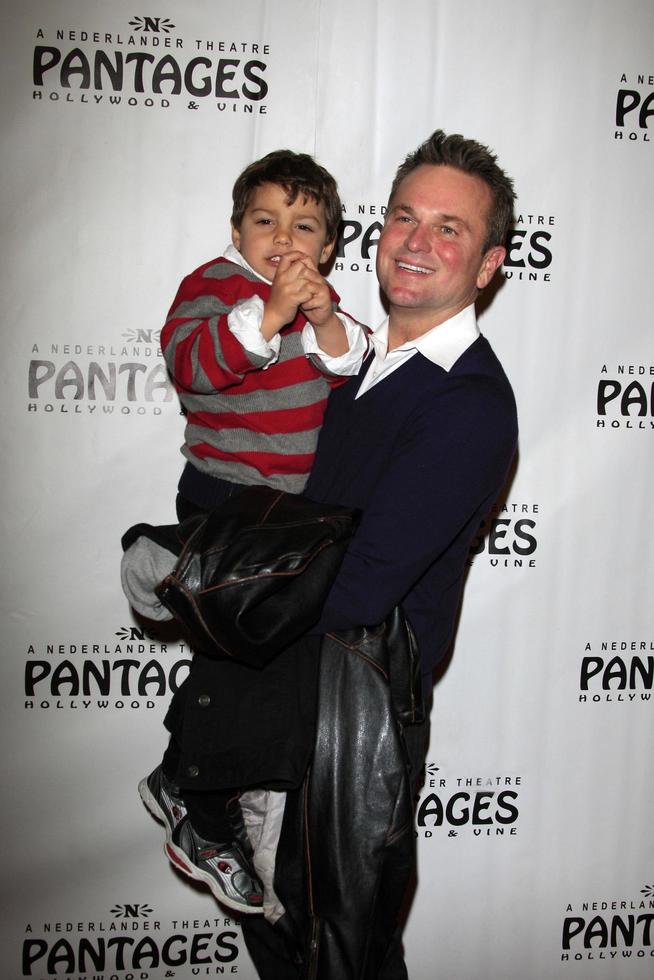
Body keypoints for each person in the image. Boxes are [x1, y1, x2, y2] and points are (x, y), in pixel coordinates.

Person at [239, 129, 519, 978]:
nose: (417, 240)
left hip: (352, 732)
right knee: (290, 949)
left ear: (488, 264)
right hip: (293, 705)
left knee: (340, 960)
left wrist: (222, 591)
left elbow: (357, 587)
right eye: (405, 216)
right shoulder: (358, 365)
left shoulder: (468, 400)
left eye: (449, 228)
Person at [127, 149, 366, 915]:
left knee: (251, 669)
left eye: (304, 225)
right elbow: (191, 362)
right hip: (223, 502)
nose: (284, 238)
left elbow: (350, 359)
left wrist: (321, 313)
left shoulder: (317, 296)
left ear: (329, 244)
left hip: (284, 521)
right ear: (236, 229)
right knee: (237, 662)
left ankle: (181, 779)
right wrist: (266, 315)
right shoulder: (215, 286)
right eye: (265, 221)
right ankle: (200, 813)